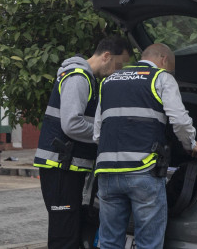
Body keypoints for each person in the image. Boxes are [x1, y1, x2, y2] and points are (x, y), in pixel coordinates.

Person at [93, 44, 197, 249]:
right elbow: (179, 120)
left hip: (107, 171)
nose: (169, 71)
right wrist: (190, 145)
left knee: (108, 242)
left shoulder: (108, 81)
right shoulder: (161, 78)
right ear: (163, 59)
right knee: (148, 243)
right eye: (169, 67)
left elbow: (98, 132)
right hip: (143, 171)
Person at [34, 36, 132, 249]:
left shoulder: (87, 78)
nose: (119, 71)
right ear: (106, 56)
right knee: (64, 237)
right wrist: (105, 136)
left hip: (67, 166)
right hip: (61, 167)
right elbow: (72, 124)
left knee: (70, 231)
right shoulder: (79, 77)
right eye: (119, 64)